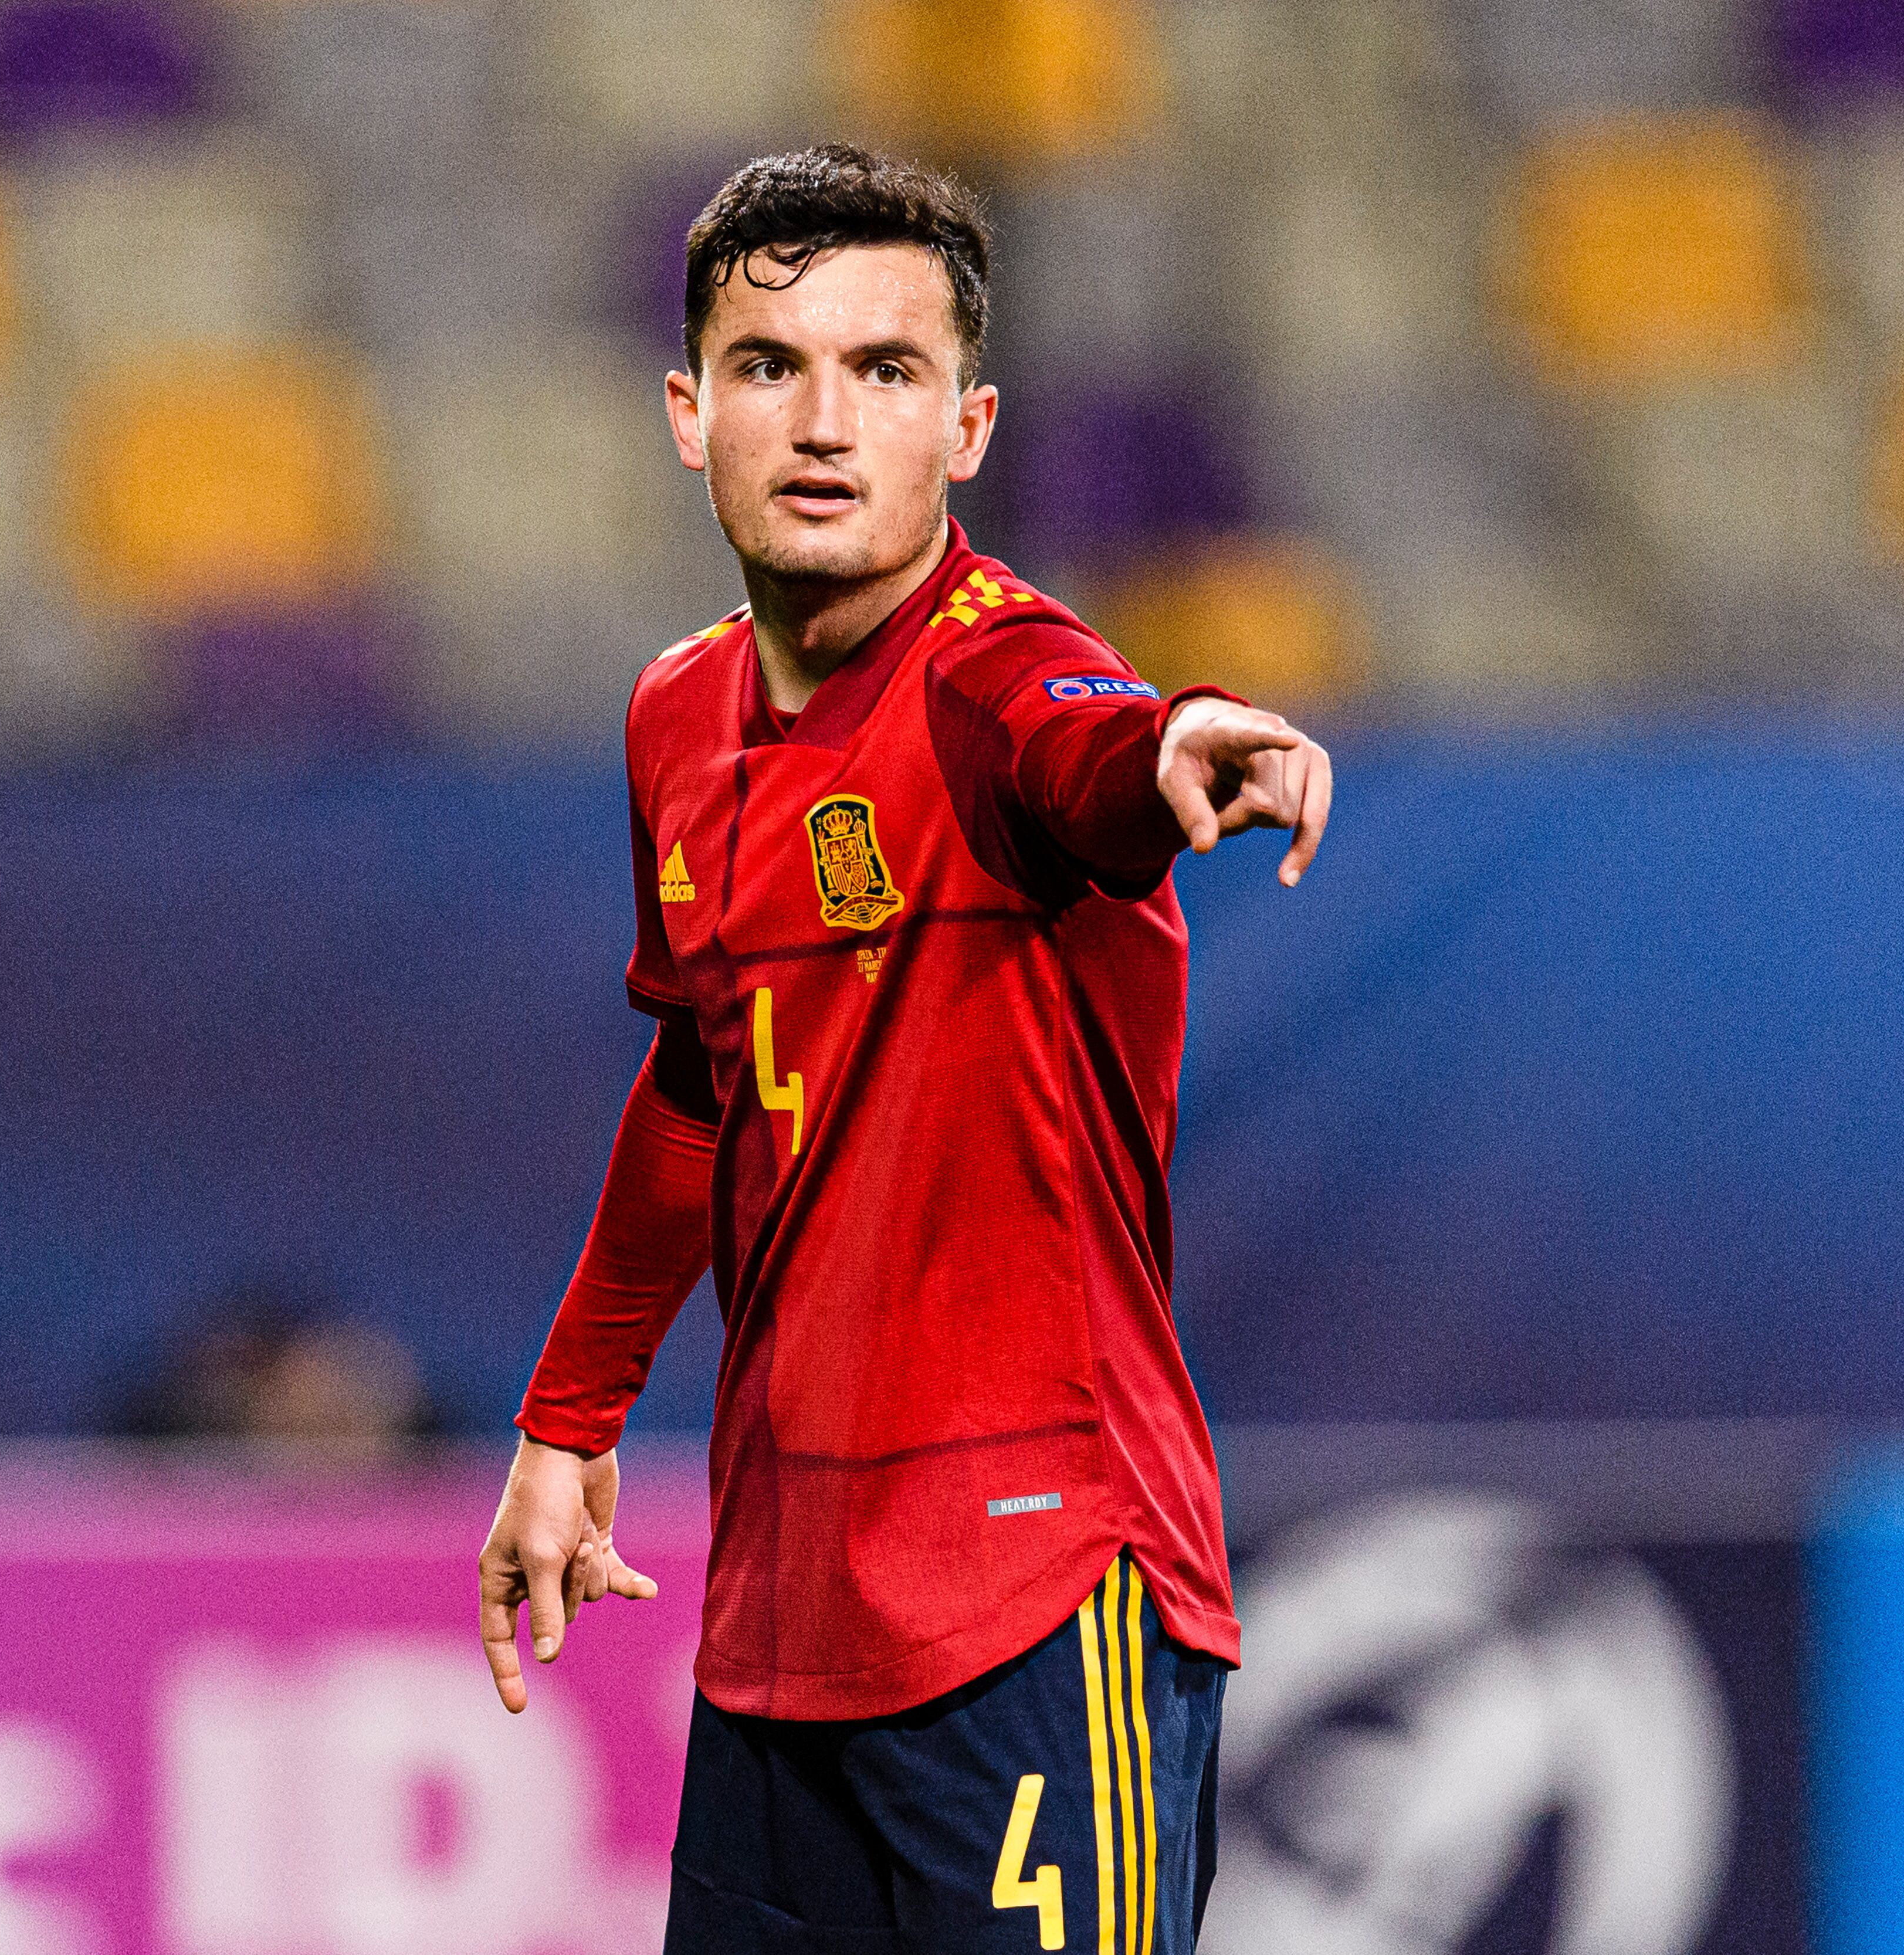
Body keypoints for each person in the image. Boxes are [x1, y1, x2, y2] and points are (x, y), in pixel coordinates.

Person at [475, 144, 1333, 1955]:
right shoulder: (674, 717)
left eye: (889, 372)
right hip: (784, 1627)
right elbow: (704, 1085)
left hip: (1037, 1590)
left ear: (971, 428)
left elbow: (1090, 747)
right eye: (775, 367)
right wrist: (569, 1420)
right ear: (687, 411)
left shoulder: (1000, 674)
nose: (824, 421)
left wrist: (1178, 749)